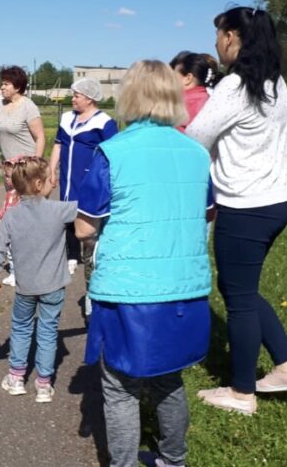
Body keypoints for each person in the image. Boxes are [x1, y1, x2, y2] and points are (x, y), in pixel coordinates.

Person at [75, 60, 213, 467]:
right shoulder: (196, 153)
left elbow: (84, 228)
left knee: (120, 387)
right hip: (186, 287)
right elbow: (208, 210)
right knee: (170, 378)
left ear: (129, 96)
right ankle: (173, 459)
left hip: (128, 288)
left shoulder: (112, 152)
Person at [186, 7, 287, 415]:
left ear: (233, 37)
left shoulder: (235, 86)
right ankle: (286, 366)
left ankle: (241, 393)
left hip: (244, 207)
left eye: (218, 35)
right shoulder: (275, 82)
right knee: (244, 290)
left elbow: (196, 138)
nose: (215, 43)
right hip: (275, 202)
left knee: (237, 299)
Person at [0, 156, 77, 403]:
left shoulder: (11, 216)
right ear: (39, 184)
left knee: (21, 328)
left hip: (25, 287)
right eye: (50, 178)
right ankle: (43, 384)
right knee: (48, 332)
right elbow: (89, 208)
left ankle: (16, 377)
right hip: (54, 286)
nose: (54, 182)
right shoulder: (59, 210)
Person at [48, 77, 118, 314]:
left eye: (76, 95)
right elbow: (58, 144)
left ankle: (91, 261)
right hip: (68, 179)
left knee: (86, 223)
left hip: (89, 182)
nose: (73, 99)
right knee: (67, 215)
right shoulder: (67, 118)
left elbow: (113, 155)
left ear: (89, 98)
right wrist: (51, 169)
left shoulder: (104, 123)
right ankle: (71, 256)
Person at [0, 65, 46, 219]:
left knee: (28, 206)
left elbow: (40, 137)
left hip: (26, 168)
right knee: (13, 204)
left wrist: (36, 164)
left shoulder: (28, 107)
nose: (2, 87)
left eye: (6, 84)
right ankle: (14, 232)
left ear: (17, 87)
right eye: (2, 83)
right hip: (9, 167)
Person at [169, 52, 220, 133]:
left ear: (188, 78)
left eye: (173, 76)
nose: (169, 80)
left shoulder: (183, 106)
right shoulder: (210, 100)